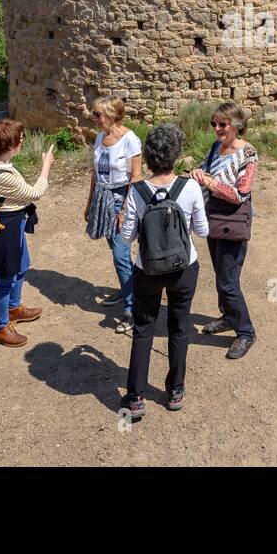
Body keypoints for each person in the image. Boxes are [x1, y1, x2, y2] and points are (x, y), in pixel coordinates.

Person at [118, 123, 209, 420]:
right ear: (176, 155)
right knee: (179, 327)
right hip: (183, 267)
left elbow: (127, 238)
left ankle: (135, 397)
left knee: (143, 330)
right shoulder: (191, 187)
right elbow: (202, 231)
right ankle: (175, 389)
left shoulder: (138, 191)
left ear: (148, 157)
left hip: (148, 269)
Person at [0, 118, 54, 347]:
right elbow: (34, 192)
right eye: (21, 138)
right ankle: (1, 328)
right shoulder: (3, 176)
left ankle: (14, 308)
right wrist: (46, 166)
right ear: (10, 145)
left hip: (14, 221)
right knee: (6, 276)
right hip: (5, 227)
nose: (23, 141)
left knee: (22, 265)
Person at [191, 101, 258, 359]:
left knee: (228, 282)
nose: (217, 128)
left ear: (236, 126)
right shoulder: (215, 148)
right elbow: (205, 172)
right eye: (214, 124)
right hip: (213, 217)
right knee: (221, 273)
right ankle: (229, 316)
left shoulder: (248, 153)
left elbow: (241, 193)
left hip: (232, 220)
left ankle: (246, 332)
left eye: (222, 124)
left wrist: (210, 182)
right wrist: (198, 174)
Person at [84, 96, 142, 334]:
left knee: (120, 255)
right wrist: (89, 204)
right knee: (117, 252)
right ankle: (127, 288)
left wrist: (126, 209)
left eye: (98, 114)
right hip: (102, 196)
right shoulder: (99, 138)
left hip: (121, 198)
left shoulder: (130, 140)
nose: (94, 119)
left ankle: (132, 309)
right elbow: (95, 173)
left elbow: (135, 177)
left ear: (111, 115)